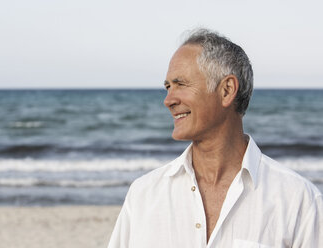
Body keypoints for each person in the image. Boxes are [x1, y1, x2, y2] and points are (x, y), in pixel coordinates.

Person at [108, 29, 322, 247]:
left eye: (180, 84)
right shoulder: (143, 196)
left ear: (227, 90)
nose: (168, 100)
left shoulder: (298, 201)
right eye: (167, 87)